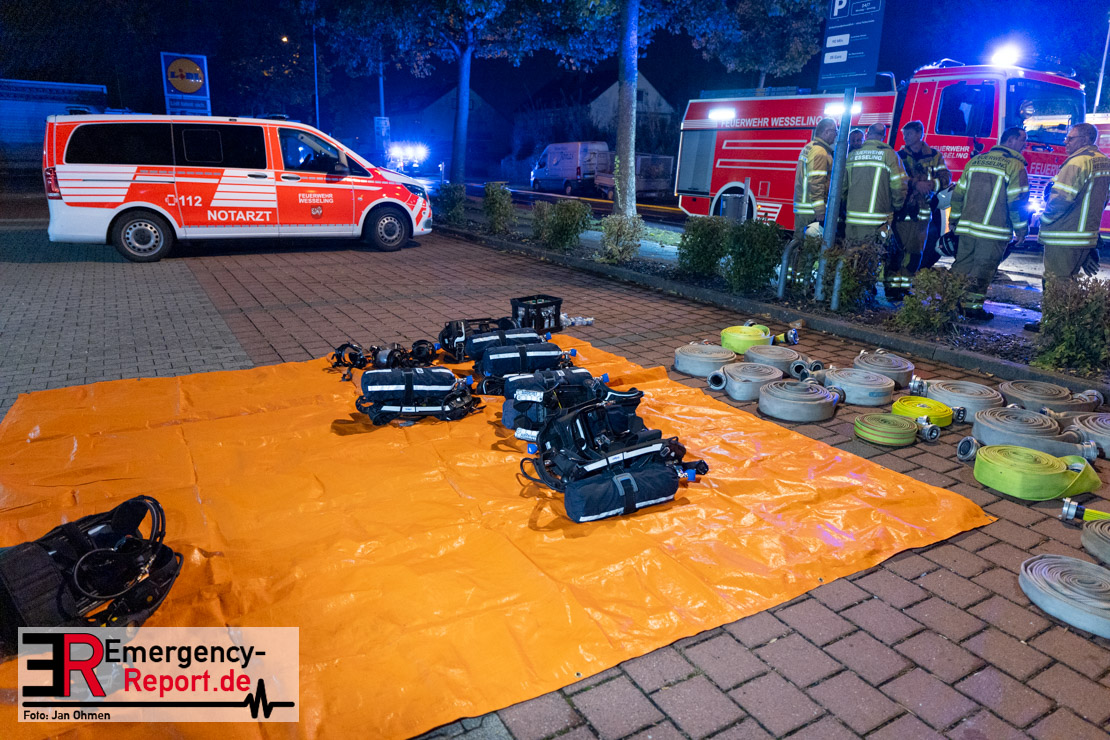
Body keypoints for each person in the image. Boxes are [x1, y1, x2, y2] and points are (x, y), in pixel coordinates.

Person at [1025, 122, 1110, 331]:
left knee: (1056, 281)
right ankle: (1064, 323)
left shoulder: (1077, 162)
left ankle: (1052, 324)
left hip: (1063, 233)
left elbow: (1061, 198)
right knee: (1069, 281)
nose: (1065, 142)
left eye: (1070, 138)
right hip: (1084, 234)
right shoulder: (1103, 161)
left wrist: (1044, 219)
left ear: (1086, 139)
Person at [947, 126, 1029, 321]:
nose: (1025, 145)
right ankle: (972, 308)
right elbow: (1016, 202)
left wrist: (954, 220)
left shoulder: (976, 161)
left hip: (967, 228)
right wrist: (1021, 229)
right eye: (1022, 141)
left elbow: (958, 194)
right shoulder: (1015, 165)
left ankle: (949, 301)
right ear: (1010, 141)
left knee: (961, 266)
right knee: (982, 271)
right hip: (993, 231)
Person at [889, 121, 951, 296]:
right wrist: (915, 184)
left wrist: (931, 185)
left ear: (919, 134)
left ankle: (904, 286)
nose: (905, 138)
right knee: (898, 251)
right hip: (903, 211)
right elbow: (895, 178)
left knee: (915, 252)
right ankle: (892, 288)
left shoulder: (934, 156)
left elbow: (945, 178)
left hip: (923, 214)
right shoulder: (899, 156)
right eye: (904, 135)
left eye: (908, 134)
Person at [842, 123, 907, 243]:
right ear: (883, 136)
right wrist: (897, 205)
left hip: (852, 219)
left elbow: (842, 187)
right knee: (872, 253)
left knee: (851, 252)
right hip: (877, 221)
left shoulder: (851, 156)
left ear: (867, 134)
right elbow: (899, 185)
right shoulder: (890, 155)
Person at [791, 117, 837, 238]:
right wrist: (820, 209)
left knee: (799, 242)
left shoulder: (810, 147)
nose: (836, 135)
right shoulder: (820, 152)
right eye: (835, 131)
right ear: (827, 132)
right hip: (811, 211)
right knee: (810, 245)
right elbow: (816, 182)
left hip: (804, 207)